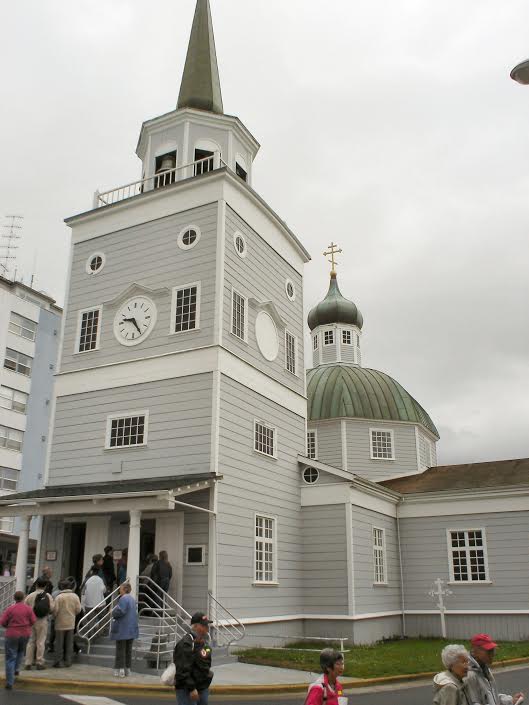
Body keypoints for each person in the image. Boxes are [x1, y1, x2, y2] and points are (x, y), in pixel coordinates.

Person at [466, 634, 524, 705]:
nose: (493, 654)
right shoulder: (469, 675)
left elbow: (492, 697)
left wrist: (511, 700)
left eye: (493, 650)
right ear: (475, 651)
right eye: (489, 651)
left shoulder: (485, 668)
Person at [174, 611, 213, 705]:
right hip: (187, 690)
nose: (207, 628)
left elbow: (207, 664)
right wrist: (192, 689)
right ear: (195, 626)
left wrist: (207, 679)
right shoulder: (185, 644)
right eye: (204, 626)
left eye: (207, 625)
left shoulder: (205, 645)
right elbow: (182, 670)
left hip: (202, 688)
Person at [0, 590, 36, 690]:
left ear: (14, 598)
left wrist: (9, 626)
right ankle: (16, 669)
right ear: (24, 598)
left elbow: (2, 622)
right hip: (25, 633)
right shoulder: (28, 609)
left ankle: (9, 682)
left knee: (10, 657)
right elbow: (33, 620)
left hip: (12, 634)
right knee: (20, 652)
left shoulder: (10, 609)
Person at [24, 577, 54, 670]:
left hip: (31, 620)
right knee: (41, 642)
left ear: (36, 585)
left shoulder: (30, 596)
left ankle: (28, 662)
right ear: (45, 586)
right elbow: (52, 609)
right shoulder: (48, 596)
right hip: (43, 620)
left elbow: (25, 608)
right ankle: (39, 662)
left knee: (31, 641)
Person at [110, 582, 139, 678]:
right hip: (131, 629)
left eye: (120, 588)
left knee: (120, 650)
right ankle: (128, 669)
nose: (119, 590)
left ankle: (120, 669)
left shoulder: (123, 599)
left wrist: (112, 612)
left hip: (122, 629)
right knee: (128, 650)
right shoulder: (132, 599)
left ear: (124, 589)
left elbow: (120, 611)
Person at [52, 578, 81, 668]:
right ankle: (68, 661)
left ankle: (58, 661)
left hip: (60, 622)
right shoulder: (75, 596)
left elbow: (55, 610)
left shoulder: (59, 597)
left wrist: (54, 617)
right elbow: (78, 609)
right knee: (69, 643)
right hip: (71, 622)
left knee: (59, 643)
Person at [82, 569, 107, 636]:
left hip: (89, 604)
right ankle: (100, 632)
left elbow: (83, 591)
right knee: (103, 617)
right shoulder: (100, 579)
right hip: (99, 604)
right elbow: (104, 590)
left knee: (91, 620)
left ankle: (90, 635)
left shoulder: (87, 580)